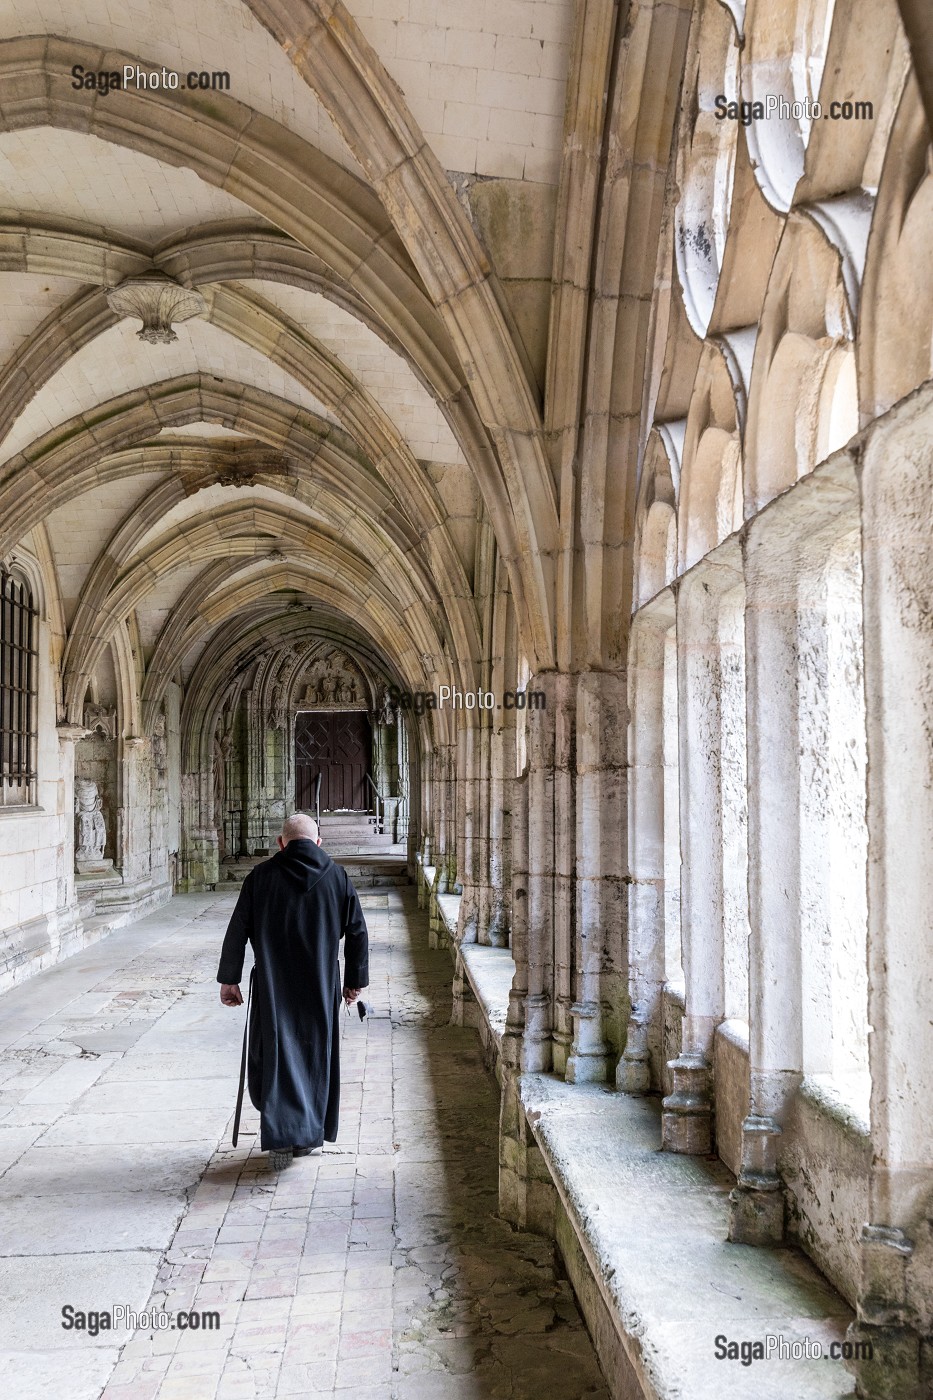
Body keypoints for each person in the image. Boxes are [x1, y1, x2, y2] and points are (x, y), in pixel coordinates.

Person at [217, 812, 369, 1170]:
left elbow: (237, 929)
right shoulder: (337, 877)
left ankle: (284, 1133)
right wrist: (353, 982)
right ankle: (308, 1133)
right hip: (320, 984)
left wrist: (229, 979)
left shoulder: (261, 877)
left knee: (276, 1055)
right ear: (318, 843)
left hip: (274, 986)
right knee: (317, 1055)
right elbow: (358, 932)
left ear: (281, 843)